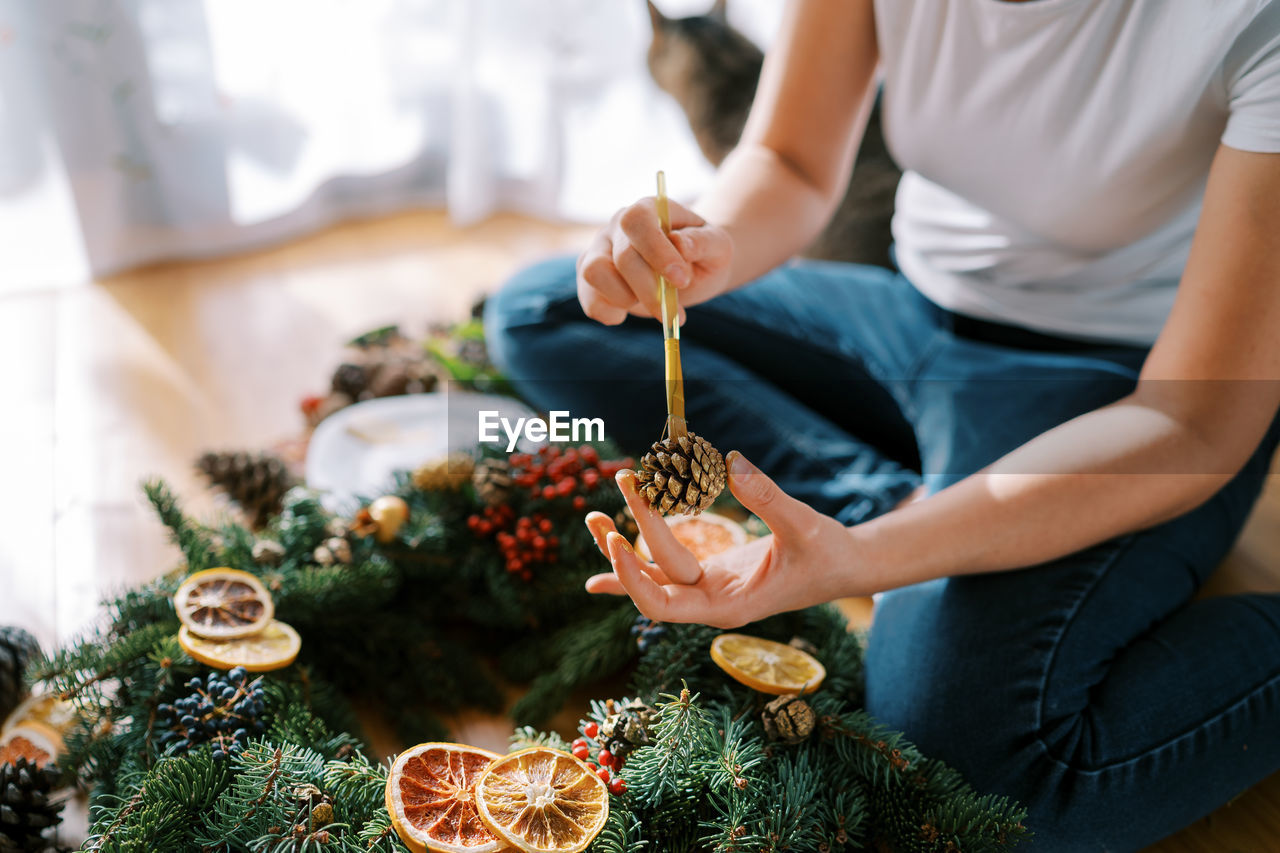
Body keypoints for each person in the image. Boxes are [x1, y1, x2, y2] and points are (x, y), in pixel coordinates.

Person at [484, 0, 1280, 848]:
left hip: (1122, 389)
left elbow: (1194, 422)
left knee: (975, 777)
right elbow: (788, 161)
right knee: (540, 310)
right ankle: (910, 502)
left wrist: (865, 561)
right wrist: (704, 249)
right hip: (912, 310)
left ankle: (920, 521)